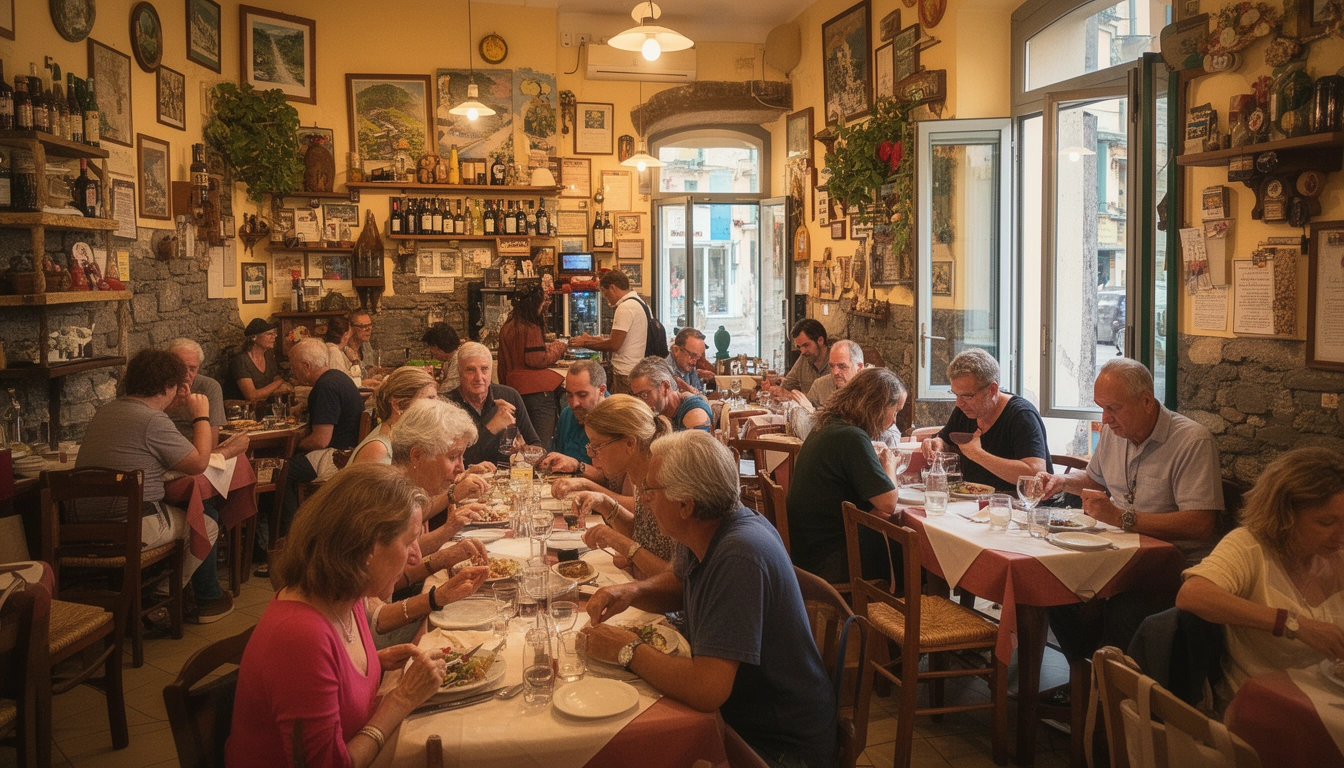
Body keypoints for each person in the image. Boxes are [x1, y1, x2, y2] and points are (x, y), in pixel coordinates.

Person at [582, 430, 837, 768]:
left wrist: (626, 649)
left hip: (777, 744)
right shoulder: (705, 528)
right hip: (742, 716)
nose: (644, 500)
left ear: (685, 505)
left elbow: (706, 689)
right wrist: (632, 592)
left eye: (650, 490)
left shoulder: (740, 554)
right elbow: (682, 584)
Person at [226, 465, 448, 767]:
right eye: (409, 541)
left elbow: (322, 681)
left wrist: (373, 663)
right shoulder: (300, 637)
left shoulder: (345, 596)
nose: (416, 556)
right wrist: (402, 699)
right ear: (367, 547)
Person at [1038, 357, 1223, 664]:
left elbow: (1201, 524)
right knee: (1053, 586)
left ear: (1147, 401)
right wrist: (1062, 481)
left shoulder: (1192, 441)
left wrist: (1120, 517)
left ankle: (1120, 686)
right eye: (1101, 407)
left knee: (1124, 609)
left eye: (1113, 408)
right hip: (1123, 557)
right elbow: (1094, 480)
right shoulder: (1114, 432)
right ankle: (1087, 673)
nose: (1105, 418)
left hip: (1171, 567)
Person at [77, 350, 249, 623]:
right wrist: (201, 416)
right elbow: (198, 463)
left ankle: (156, 593)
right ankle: (161, 596)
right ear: (169, 385)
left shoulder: (106, 411)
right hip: (130, 527)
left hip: (83, 526)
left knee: (185, 514)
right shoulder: (151, 420)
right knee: (206, 524)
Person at [1177, 447, 1344, 696]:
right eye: (1326, 522)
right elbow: (1192, 594)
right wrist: (1293, 625)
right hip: (1262, 702)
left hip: (1328, 697)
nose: (1340, 535)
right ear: (1285, 515)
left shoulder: (1334, 554)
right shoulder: (1249, 546)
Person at [366, 398, 494, 648]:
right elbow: (372, 617)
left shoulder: (404, 494)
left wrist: (443, 559)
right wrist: (436, 597)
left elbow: (398, 575)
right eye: (453, 457)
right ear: (417, 455)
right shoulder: (384, 504)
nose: (461, 468)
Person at [787, 367, 906, 585]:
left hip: (806, 552)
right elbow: (888, 502)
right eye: (895, 411)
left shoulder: (828, 425)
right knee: (912, 553)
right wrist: (889, 463)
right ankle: (919, 603)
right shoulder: (852, 437)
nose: (894, 421)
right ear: (878, 406)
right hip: (831, 559)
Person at [271, 338, 366, 560]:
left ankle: (290, 543)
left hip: (336, 458)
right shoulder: (338, 377)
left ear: (306, 365)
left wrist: (293, 444)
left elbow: (321, 440)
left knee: (280, 469)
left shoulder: (325, 387)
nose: (292, 371)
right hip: (350, 452)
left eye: (294, 366)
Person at [562, 395, 678, 578]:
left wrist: (619, 541)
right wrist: (605, 503)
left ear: (630, 443)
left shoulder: (665, 485)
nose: (591, 454)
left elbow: (677, 579)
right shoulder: (639, 476)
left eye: (597, 445)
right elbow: (643, 535)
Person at [920, 348, 1053, 494]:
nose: (959, 403)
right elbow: (944, 439)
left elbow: (1036, 474)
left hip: (1017, 503)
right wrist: (937, 444)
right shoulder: (965, 411)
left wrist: (977, 454)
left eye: (968, 396)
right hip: (972, 501)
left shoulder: (1021, 415)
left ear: (992, 389)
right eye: (956, 395)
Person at [446, 341, 540, 467]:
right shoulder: (448, 405)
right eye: (470, 370)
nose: (478, 377)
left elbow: (535, 444)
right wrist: (492, 427)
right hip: (465, 476)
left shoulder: (509, 396)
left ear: (491, 371)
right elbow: (453, 460)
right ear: (459, 372)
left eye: (484, 369)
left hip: (506, 475)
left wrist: (524, 454)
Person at [497, 283, 568, 447]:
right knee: (540, 444)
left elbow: (503, 364)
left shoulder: (507, 327)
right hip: (538, 393)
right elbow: (536, 359)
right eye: (542, 303)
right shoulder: (531, 327)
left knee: (520, 443)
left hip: (515, 389)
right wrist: (558, 348)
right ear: (536, 305)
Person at [569, 270, 648, 394]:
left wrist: (583, 343)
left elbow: (614, 345)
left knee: (620, 406)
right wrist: (591, 339)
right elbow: (623, 339)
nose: (607, 300)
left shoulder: (625, 307)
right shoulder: (640, 303)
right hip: (635, 369)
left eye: (606, 295)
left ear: (613, 288)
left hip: (624, 373)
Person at [351, 367, 438, 465]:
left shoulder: (407, 436)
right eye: (429, 399)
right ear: (398, 405)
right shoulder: (379, 449)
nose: (437, 406)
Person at [541, 358, 608, 465]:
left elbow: (615, 475)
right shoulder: (567, 415)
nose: (574, 403)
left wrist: (577, 466)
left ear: (601, 390)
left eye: (582, 395)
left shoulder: (617, 419)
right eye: (569, 395)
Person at [166, 338, 225, 446]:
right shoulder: (158, 385)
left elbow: (212, 444)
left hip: (195, 449)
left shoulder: (208, 387)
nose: (186, 374)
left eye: (192, 369)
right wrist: (174, 404)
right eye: (181, 367)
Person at [628, 356, 712, 432]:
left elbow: (700, 444)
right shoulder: (656, 412)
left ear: (665, 387)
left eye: (644, 395)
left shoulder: (695, 413)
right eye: (636, 396)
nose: (640, 403)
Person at [224, 318, 291, 402]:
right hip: (242, 408)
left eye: (274, 333)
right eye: (269, 334)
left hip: (263, 406)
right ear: (254, 337)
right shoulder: (241, 361)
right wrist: (280, 382)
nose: (274, 336)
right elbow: (252, 396)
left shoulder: (268, 354)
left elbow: (274, 377)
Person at [769, 319, 830, 395]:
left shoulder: (836, 362)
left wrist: (791, 396)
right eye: (799, 347)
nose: (803, 351)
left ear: (820, 340)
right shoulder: (804, 359)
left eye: (806, 345)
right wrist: (774, 390)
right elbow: (787, 386)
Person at [422, 323, 463, 395]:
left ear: (436, 347)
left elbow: (445, 392)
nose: (431, 352)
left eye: (431, 348)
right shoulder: (449, 360)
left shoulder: (458, 361)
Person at [346, 311, 384, 387]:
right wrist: (364, 383)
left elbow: (363, 374)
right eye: (363, 326)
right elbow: (344, 383)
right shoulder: (342, 351)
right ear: (351, 328)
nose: (369, 329)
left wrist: (372, 374)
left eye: (370, 325)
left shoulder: (366, 345)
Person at [667, 327, 710, 393]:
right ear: (676, 350)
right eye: (692, 355)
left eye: (698, 357)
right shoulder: (662, 373)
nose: (694, 362)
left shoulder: (689, 368)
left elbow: (699, 394)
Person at [323, 315, 360, 384]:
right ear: (345, 335)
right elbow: (340, 382)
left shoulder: (337, 350)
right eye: (349, 334)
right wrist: (355, 361)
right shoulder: (334, 352)